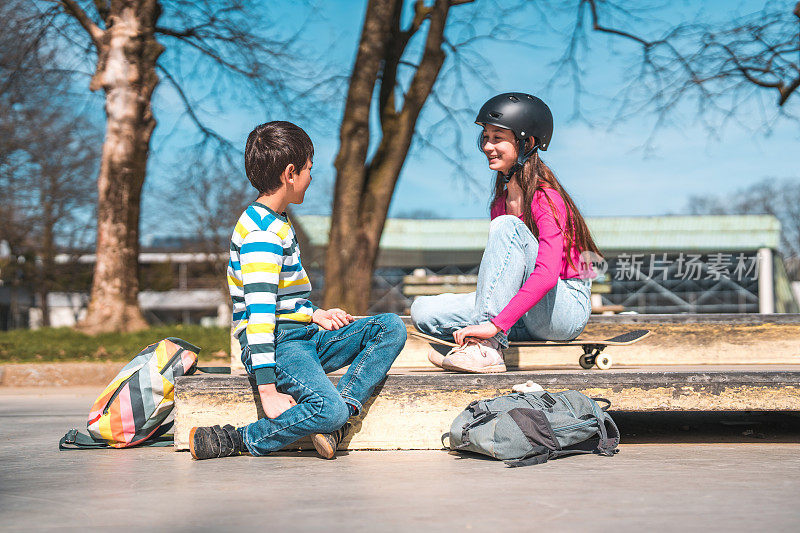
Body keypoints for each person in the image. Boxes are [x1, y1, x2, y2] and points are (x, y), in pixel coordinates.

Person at [189, 121, 407, 460]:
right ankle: (238, 439)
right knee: (327, 409)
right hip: (279, 349)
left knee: (389, 327)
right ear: (290, 173)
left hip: (301, 336)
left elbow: (280, 300)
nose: (311, 177)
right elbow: (260, 315)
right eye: (308, 169)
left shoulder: (277, 220)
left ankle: (338, 420)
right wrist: (268, 390)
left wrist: (314, 313)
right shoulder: (261, 234)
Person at [410, 93, 601, 373]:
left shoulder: (546, 198)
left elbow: (547, 276)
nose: (487, 146)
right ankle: (483, 339)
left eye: (497, 138)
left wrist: (495, 324)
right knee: (423, 310)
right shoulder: (500, 202)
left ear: (528, 143)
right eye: (484, 137)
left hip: (564, 308)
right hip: (524, 311)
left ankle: (487, 348)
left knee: (507, 227)